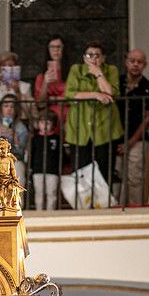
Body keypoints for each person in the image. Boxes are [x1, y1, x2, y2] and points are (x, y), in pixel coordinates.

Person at [64, 41, 123, 203]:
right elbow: (70, 94)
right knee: (81, 171)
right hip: (80, 128)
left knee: (105, 170)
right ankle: (83, 206)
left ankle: (104, 205)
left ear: (103, 58)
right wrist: (96, 95)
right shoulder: (76, 70)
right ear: (84, 58)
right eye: (90, 55)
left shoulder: (111, 70)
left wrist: (98, 74)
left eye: (97, 55)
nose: (93, 59)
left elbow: (111, 93)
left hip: (105, 127)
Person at [117, 48, 149, 205]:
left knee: (135, 178)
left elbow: (148, 118)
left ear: (145, 65)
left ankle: (135, 211)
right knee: (116, 177)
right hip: (115, 138)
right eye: (132, 61)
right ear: (126, 62)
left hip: (138, 139)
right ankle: (114, 211)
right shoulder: (116, 83)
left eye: (139, 62)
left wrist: (130, 142)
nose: (135, 65)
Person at [34, 35, 68, 133]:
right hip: (49, 117)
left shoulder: (71, 73)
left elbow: (73, 98)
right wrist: (45, 82)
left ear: (63, 49)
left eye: (58, 47)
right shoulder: (41, 76)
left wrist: (53, 99)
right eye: (52, 47)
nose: (55, 50)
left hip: (69, 113)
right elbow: (40, 103)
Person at [30, 110, 62, 210]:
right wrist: (31, 168)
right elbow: (31, 154)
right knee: (39, 193)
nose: (44, 125)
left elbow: (61, 155)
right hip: (38, 170)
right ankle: (39, 213)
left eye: (48, 123)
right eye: (42, 122)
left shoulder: (57, 138)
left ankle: (50, 214)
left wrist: (59, 168)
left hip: (52, 171)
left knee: (51, 193)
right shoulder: (35, 138)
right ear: (38, 123)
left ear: (53, 125)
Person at [0, 51, 31, 118]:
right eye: (4, 66)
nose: (8, 69)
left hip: (18, 122)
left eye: (11, 66)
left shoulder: (25, 86)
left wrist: (18, 92)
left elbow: (28, 110)